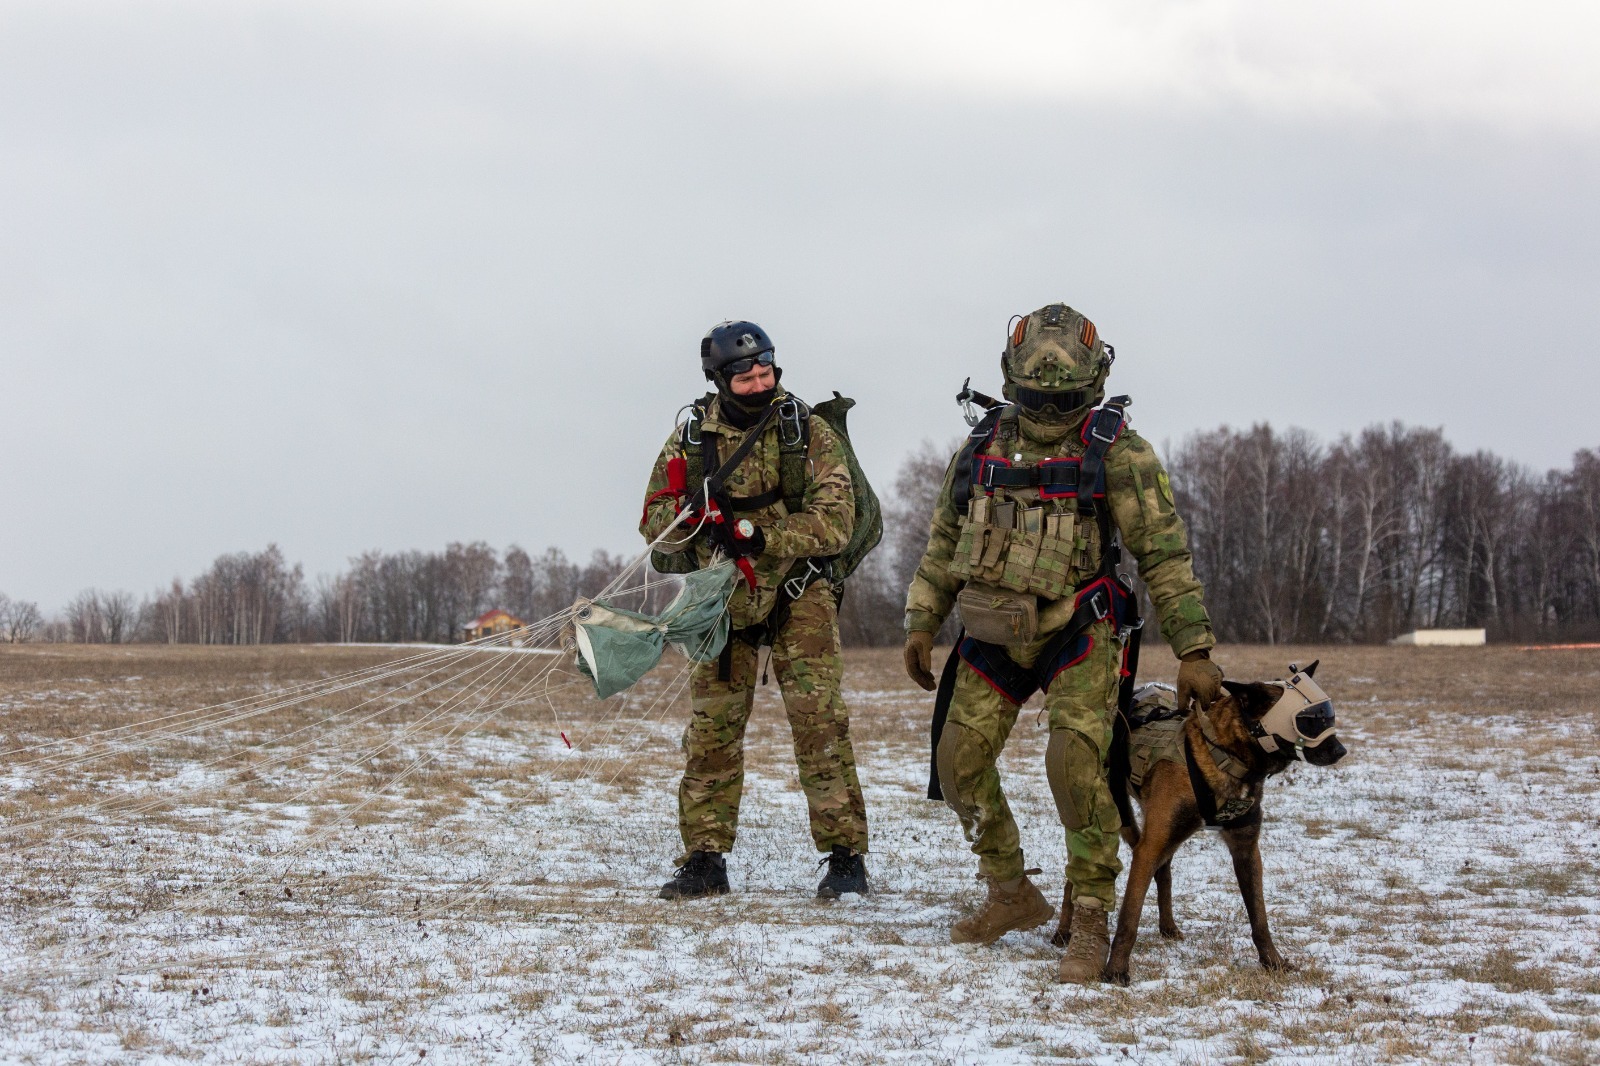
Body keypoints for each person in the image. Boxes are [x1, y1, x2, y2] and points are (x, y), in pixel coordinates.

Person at [902, 303, 1222, 982]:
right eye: (1037, 395)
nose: (1049, 406)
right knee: (957, 760)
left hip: (1079, 627)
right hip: (993, 629)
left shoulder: (1120, 452)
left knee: (1075, 764)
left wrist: (1193, 647)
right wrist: (922, 620)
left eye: (1064, 396)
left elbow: (1163, 552)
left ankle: (1091, 917)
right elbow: (943, 545)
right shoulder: (980, 448)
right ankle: (1010, 892)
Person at [640, 320, 871, 901]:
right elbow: (653, 523)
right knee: (713, 730)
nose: (759, 381)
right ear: (720, 378)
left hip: (801, 592)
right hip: (723, 596)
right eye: (745, 375)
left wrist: (760, 534)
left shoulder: (808, 431)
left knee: (820, 724)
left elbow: (837, 524)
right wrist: (694, 523)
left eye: (766, 370)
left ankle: (846, 860)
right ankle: (704, 860)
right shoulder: (691, 437)